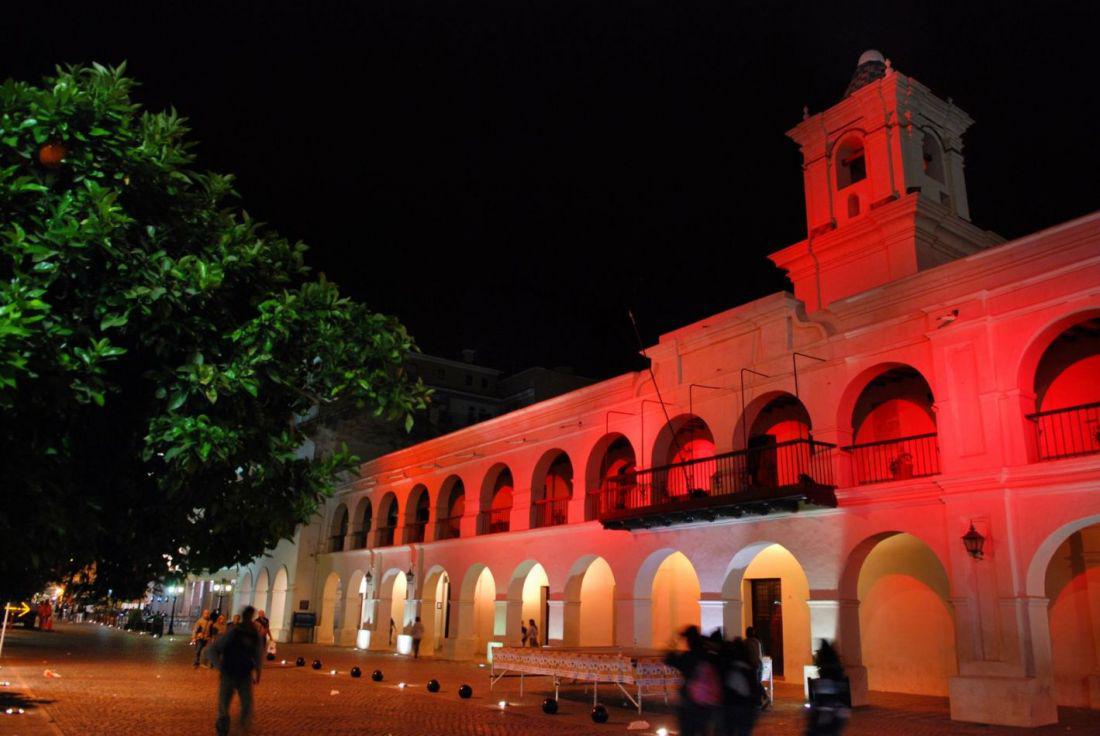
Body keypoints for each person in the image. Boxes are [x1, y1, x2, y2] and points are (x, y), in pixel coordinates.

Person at [209, 605, 264, 736]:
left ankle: (238, 729)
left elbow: (257, 653)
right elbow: (212, 649)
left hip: (243, 674)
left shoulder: (252, 634)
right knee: (224, 707)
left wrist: (258, 670)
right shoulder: (234, 632)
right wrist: (220, 666)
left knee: (246, 705)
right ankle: (223, 730)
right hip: (230, 672)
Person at [665, 625, 720, 736]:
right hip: (707, 702)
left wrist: (672, 643)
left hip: (689, 701)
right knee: (703, 731)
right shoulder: (709, 656)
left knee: (687, 731)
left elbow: (669, 659)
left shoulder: (687, 657)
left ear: (689, 641)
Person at [717, 637, 760, 736]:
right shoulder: (748, 668)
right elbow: (754, 689)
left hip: (733, 706)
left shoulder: (729, 666)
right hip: (743, 707)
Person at [806, 640, 850, 736]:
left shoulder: (825, 678)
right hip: (835, 717)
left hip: (826, 721)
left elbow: (824, 708)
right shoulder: (836, 671)